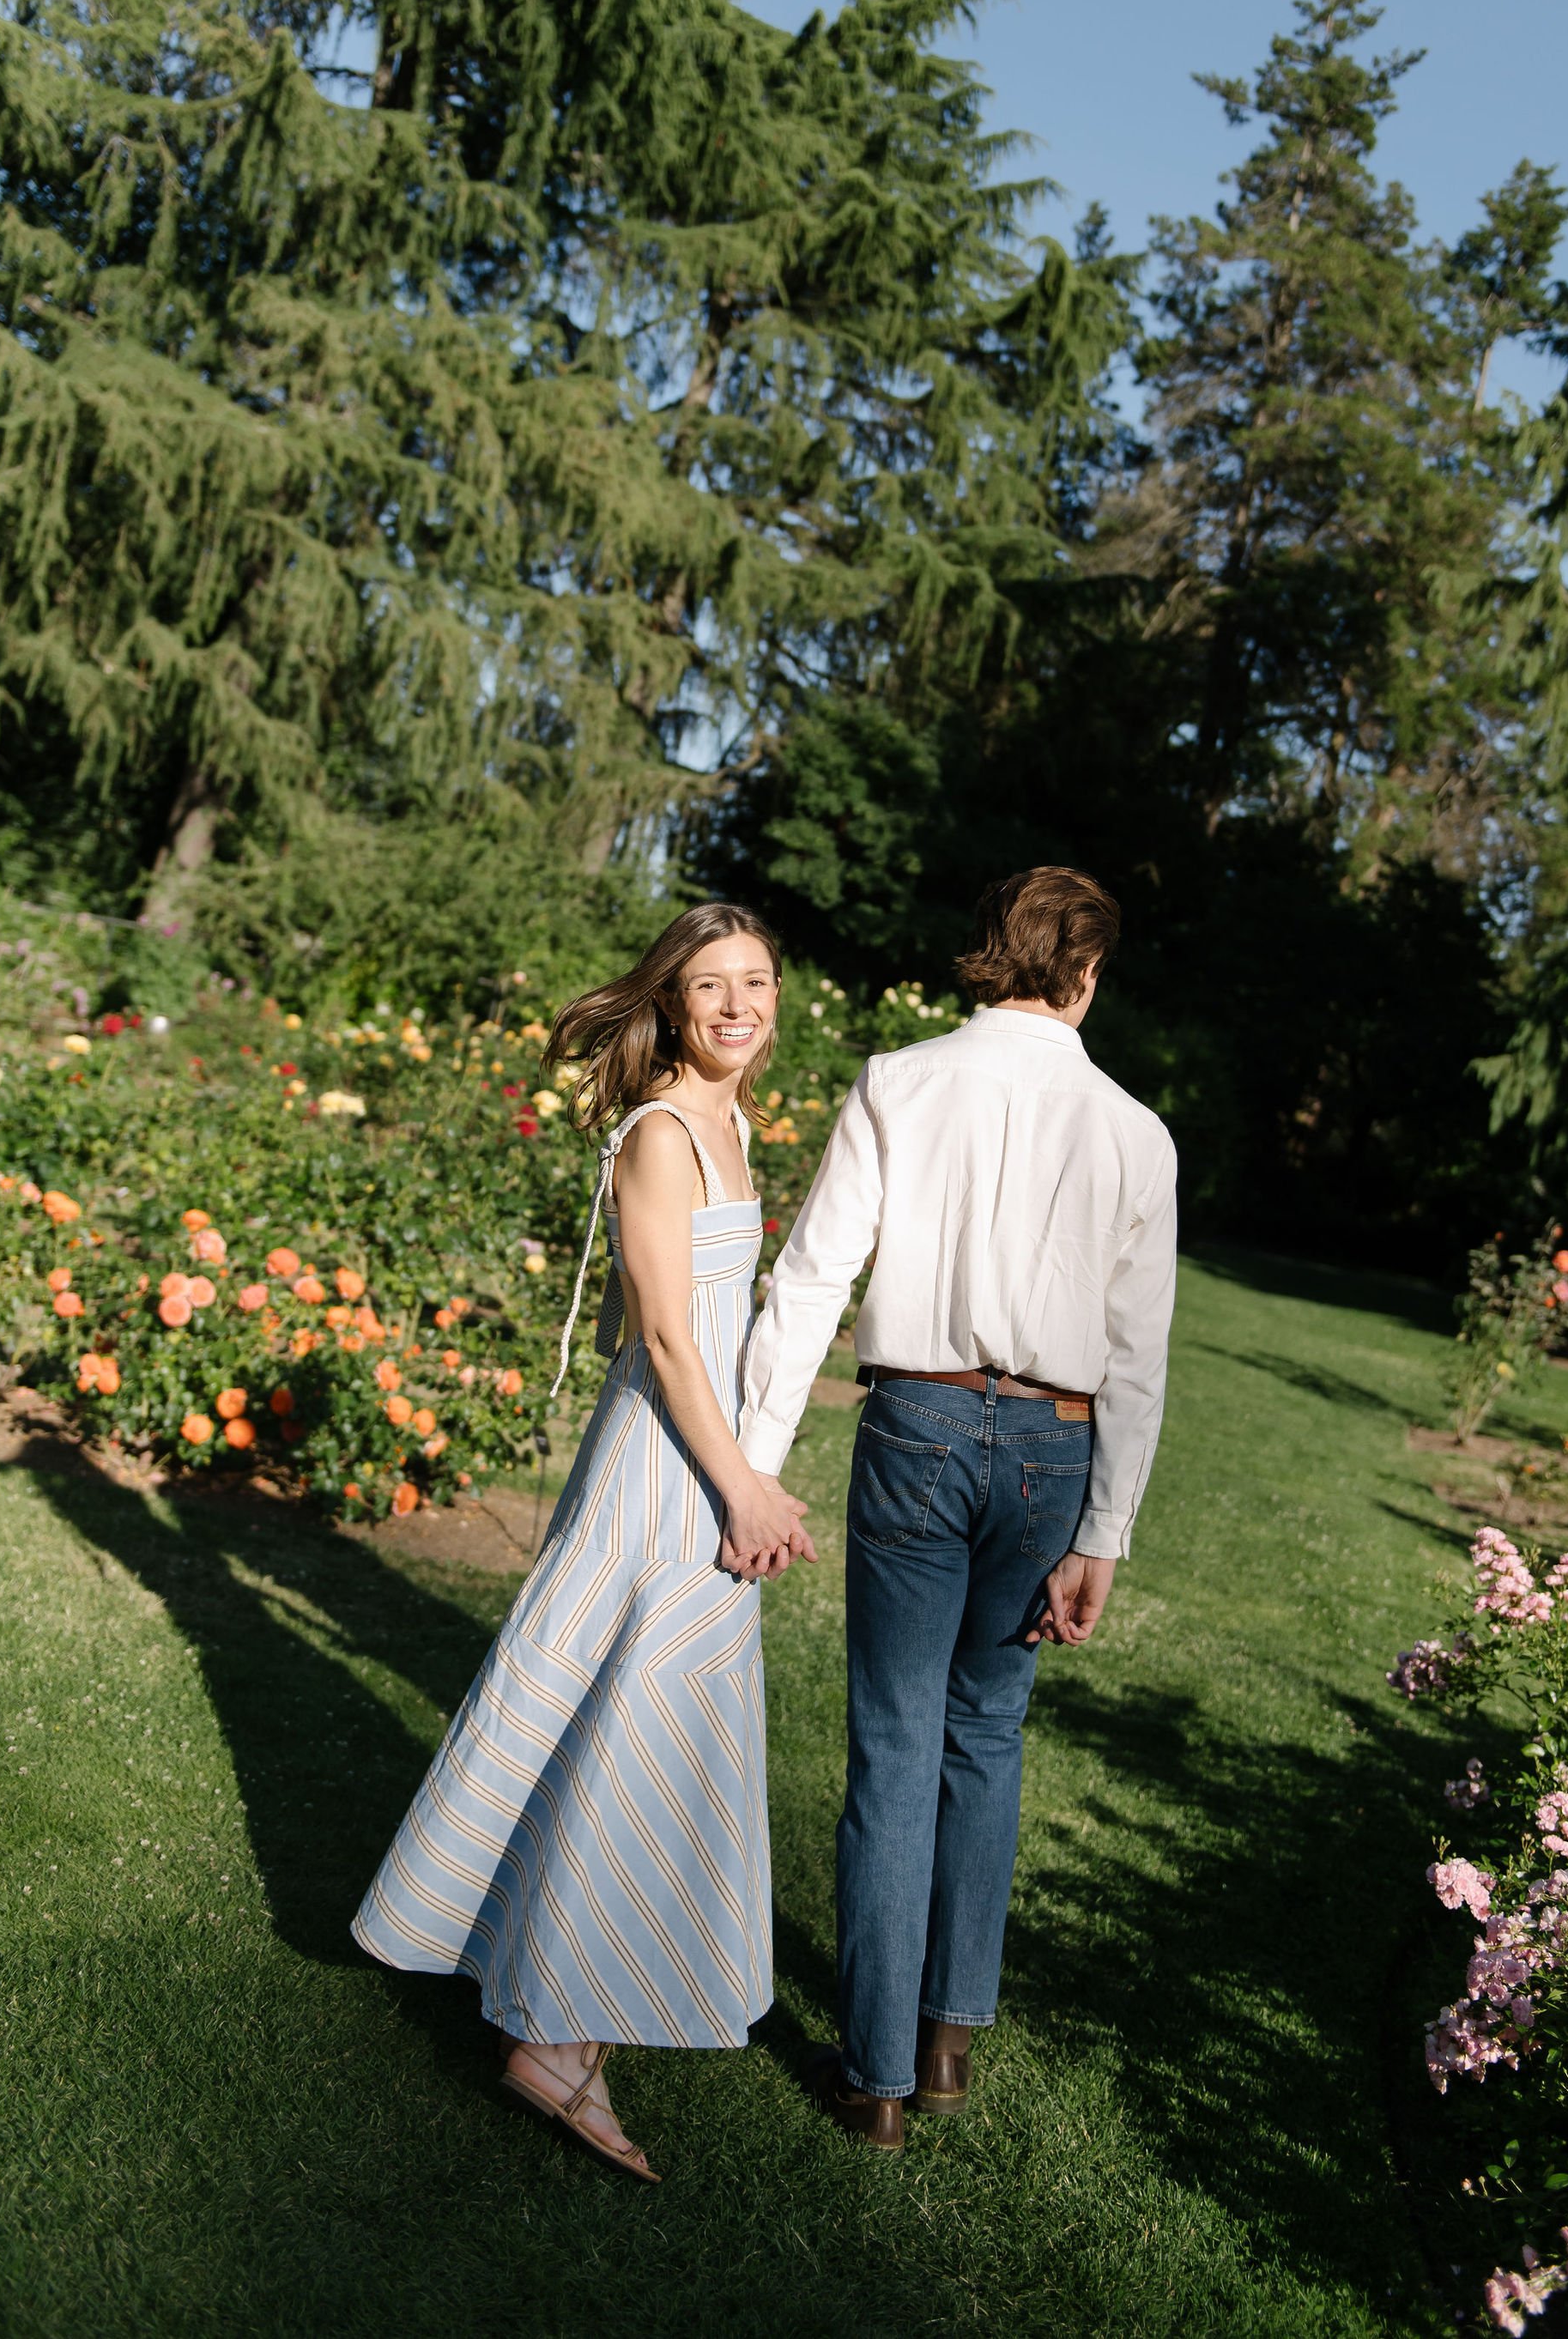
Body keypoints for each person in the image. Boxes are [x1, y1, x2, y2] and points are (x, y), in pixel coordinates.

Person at [353, 905, 814, 2182]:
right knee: (617, 1716)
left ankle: (565, 2016)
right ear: (670, 1002)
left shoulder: (728, 1118)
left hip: (702, 1450)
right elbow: (664, 1338)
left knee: (639, 1722)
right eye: (711, 985)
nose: (737, 1005)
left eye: (757, 982)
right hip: (667, 1463)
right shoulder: (664, 1134)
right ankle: (559, 2035)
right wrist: (746, 1492)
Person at [738, 865, 1177, 2148]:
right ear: (1088, 973)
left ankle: (870, 2077)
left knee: (893, 1736)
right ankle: (944, 2046)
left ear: (992, 952)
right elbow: (1136, 1354)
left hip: (920, 1423)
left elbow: (813, 1275)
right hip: (1054, 1443)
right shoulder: (1135, 1131)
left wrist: (760, 1460)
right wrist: (1105, 1530)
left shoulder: (900, 1078)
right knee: (988, 1731)